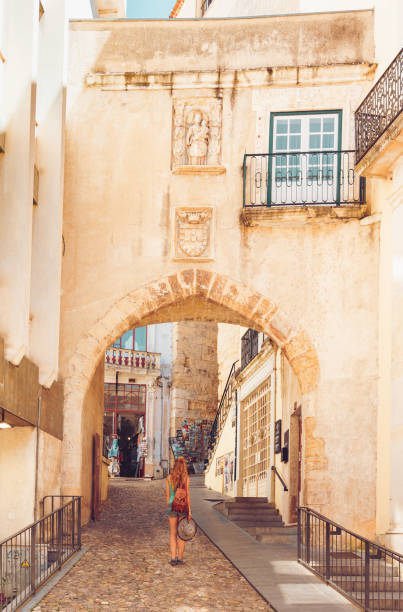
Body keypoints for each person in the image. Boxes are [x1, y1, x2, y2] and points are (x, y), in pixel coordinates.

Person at [166, 456, 192, 566]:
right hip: (183, 507)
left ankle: (173, 558)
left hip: (172, 506)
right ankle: (180, 558)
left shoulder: (169, 478)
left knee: (173, 533)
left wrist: (170, 506)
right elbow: (188, 496)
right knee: (182, 534)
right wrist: (189, 511)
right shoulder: (186, 479)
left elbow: (167, 496)